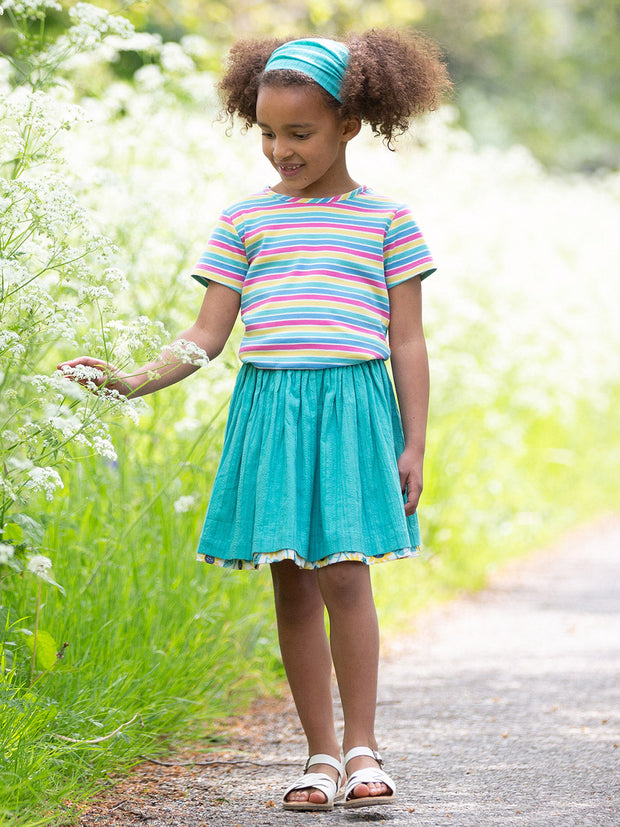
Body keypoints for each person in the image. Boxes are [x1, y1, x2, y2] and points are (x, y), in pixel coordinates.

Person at [59, 29, 450, 811]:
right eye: (268, 133)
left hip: (351, 409)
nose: (280, 149)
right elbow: (207, 335)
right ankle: (319, 754)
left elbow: (407, 339)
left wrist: (413, 440)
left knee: (345, 573)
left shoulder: (387, 222)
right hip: (270, 409)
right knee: (291, 585)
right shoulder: (245, 220)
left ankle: (365, 746)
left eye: (299, 133)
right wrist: (133, 380)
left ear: (349, 124)